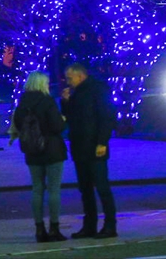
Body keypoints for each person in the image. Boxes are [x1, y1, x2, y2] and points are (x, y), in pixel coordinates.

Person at [10, 71, 68, 243]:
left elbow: (19, 126)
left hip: (32, 150)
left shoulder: (22, 104)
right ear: (42, 84)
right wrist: (63, 118)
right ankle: (54, 228)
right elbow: (58, 126)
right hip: (52, 150)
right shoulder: (47, 101)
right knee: (54, 189)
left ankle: (39, 228)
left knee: (37, 188)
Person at [62, 63, 117, 239]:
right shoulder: (77, 93)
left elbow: (107, 117)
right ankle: (90, 225)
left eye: (70, 78)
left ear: (80, 76)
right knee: (85, 189)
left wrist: (102, 142)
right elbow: (71, 118)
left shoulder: (97, 90)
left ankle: (110, 225)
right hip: (80, 147)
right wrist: (66, 103)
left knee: (101, 187)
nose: (68, 82)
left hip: (94, 147)